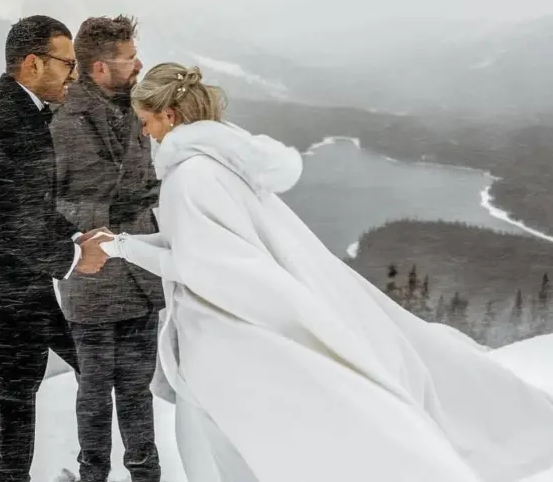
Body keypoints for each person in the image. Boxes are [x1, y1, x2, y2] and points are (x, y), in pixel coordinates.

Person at [98, 61, 553, 482]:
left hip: (225, 329)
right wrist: (120, 244)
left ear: (171, 115)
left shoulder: (188, 177)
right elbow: (202, 250)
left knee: (238, 438)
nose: (146, 132)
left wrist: (121, 248)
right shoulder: (222, 163)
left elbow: (196, 264)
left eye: (147, 120)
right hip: (228, 319)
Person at [0, 15, 112, 482]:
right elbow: (5, 228)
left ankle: (94, 471)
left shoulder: (20, 113)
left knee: (96, 368)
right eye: (67, 64)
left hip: (21, 298)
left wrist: (76, 236)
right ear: (34, 63)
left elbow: (31, 207)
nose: (75, 74)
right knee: (11, 440)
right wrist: (77, 258)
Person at [49, 15, 164, 482]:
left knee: (138, 391)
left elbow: (150, 181)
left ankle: (145, 476)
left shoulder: (139, 109)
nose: (139, 64)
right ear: (98, 67)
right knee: (94, 392)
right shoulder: (59, 119)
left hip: (140, 275)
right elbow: (46, 201)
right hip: (91, 278)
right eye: (128, 58)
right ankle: (92, 475)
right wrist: (111, 214)